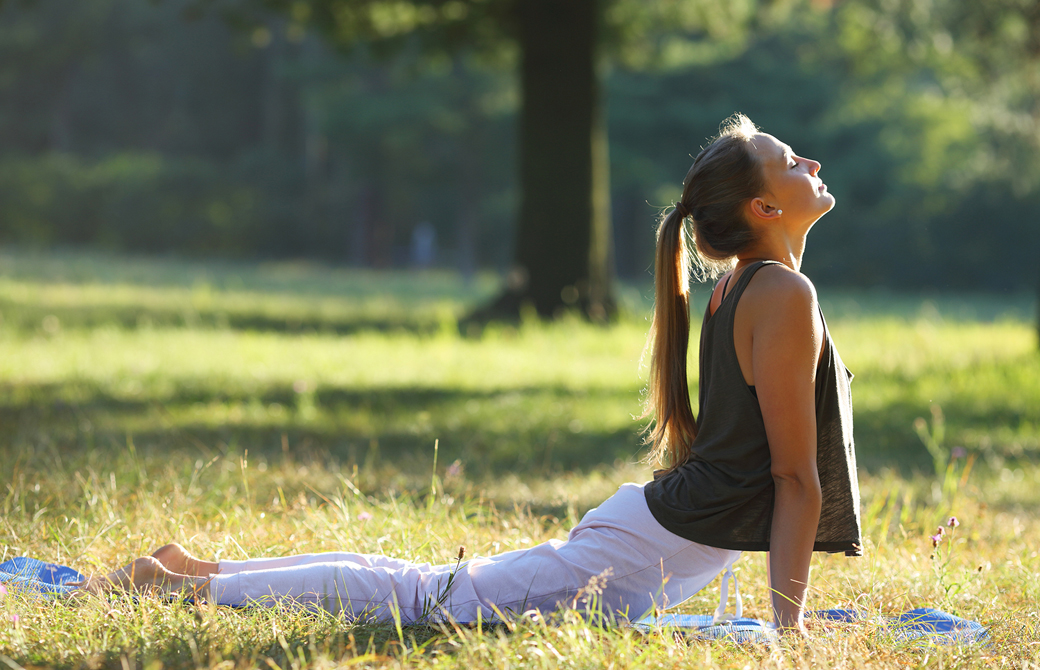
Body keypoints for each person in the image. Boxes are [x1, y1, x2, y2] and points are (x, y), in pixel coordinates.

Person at [75, 114, 861, 635]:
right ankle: (182, 585)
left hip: (647, 539)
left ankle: (189, 569)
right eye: (792, 161)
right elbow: (793, 480)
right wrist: (786, 641)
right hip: (637, 553)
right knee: (422, 601)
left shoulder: (755, 288)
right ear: (762, 208)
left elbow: (775, 470)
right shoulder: (781, 292)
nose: (812, 162)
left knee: (426, 585)